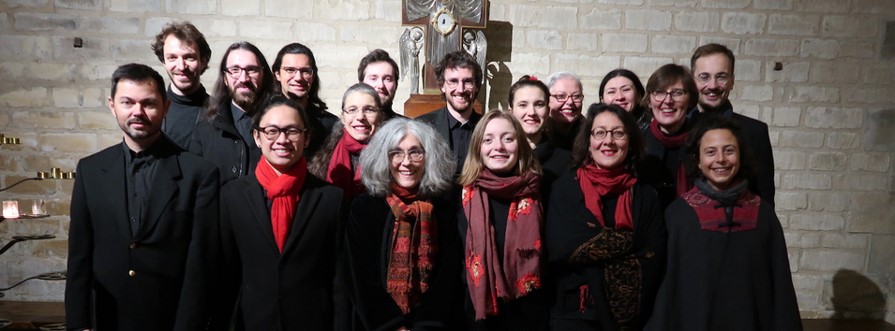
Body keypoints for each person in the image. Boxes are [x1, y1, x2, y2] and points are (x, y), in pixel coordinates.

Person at [66, 63, 220, 331]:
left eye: (148, 103)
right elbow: (79, 259)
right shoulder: (90, 170)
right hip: (107, 319)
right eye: (128, 102)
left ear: (166, 107)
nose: (138, 112)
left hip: (169, 320)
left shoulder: (200, 174)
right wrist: (78, 324)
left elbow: (200, 268)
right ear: (112, 105)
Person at [645, 116, 801, 331]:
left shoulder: (763, 214)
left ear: (741, 156)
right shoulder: (679, 215)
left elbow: (780, 287)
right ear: (698, 161)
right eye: (710, 152)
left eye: (729, 150)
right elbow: (668, 291)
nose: (721, 159)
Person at [216, 95, 345, 330]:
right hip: (252, 320)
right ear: (257, 136)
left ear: (306, 138)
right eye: (272, 131)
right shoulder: (232, 196)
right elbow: (225, 273)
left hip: (313, 321)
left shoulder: (330, 198)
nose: (282, 140)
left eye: (292, 131)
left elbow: (339, 277)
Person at [546, 103, 665, 330]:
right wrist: (630, 242)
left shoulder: (645, 195)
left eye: (618, 133)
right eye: (600, 132)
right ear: (589, 142)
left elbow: (652, 257)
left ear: (629, 142)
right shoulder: (565, 189)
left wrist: (593, 248)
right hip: (572, 315)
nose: (608, 141)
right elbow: (562, 247)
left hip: (630, 321)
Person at [345, 118, 462, 330]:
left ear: (429, 158)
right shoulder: (363, 208)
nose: (406, 162)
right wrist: (393, 326)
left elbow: (446, 278)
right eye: (396, 153)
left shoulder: (443, 210)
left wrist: (426, 325)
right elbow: (359, 277)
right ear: (384, 158)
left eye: (415, 152)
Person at [456, 111, 548, 330]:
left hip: (530, 317)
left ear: (521, 145)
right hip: (475, 318)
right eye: (488, 140)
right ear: (478, 147)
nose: (498, 146)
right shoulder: (460, 196)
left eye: (508, 138)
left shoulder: (541, 190)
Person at [690, 43, 775, 204]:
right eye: (704, 77)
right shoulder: (680, 130)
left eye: (721, 76)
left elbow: (765, 202)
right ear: (692, 80)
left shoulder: (755, 132)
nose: (713, 85)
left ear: (732, 81)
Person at [190, 41, 273, 184]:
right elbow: (194, 181)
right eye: (235, 70)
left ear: (263, 74)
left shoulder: (280, 126)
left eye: (252, 70)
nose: (243, 78)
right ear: (225, 78)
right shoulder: (206, 127)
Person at [309, 83, 385, 200]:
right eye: (352, 110)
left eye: (369, 110)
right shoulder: (326, 153)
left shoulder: (391, 155)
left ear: (381, 117)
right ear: (343, 118)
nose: (360, 117)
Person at [640, 64, 701, 208]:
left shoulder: (702, 142)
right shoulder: (638, 142)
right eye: (659, 92)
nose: (667, 101)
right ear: (649, 100)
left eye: (677, 93)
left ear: (690, 99)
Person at [416, 51, 484, 175]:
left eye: (468, 81)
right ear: (442, 86)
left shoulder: (487, 127)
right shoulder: (422, 126)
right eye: (453, 81)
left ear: (477, 86)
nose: (461, 89)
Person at [506, 75, 570, 205]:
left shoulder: (566, 161)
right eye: (523, 105)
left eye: (539, 104)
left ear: (547, 111)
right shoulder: (499, 155)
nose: (531, 112)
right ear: (511, 112)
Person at [150, 21, 211, 149]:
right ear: (163, 62)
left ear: (203, 61)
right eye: (172, 57)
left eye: (189, 57)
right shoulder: (151, 111)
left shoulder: (219, 112)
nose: (181, 66)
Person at [272, 42, 338, 157]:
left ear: (313, 76)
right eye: (290, 70)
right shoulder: (261, 117)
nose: (298, 78)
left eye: (305, 71)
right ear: (277, 74)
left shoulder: (331, 126)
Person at [358, 49, 404, 120]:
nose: (381, 85)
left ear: (396, 84)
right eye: (373, 78)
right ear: (361, 84)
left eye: (387, 79)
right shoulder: (348, 128)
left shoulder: (406, 128)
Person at [546, 71, 585, 150]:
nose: (570, 102)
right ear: (547, 99)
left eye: (576, 96)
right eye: (560, 96)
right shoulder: (538, 134)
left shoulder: (589, 134)